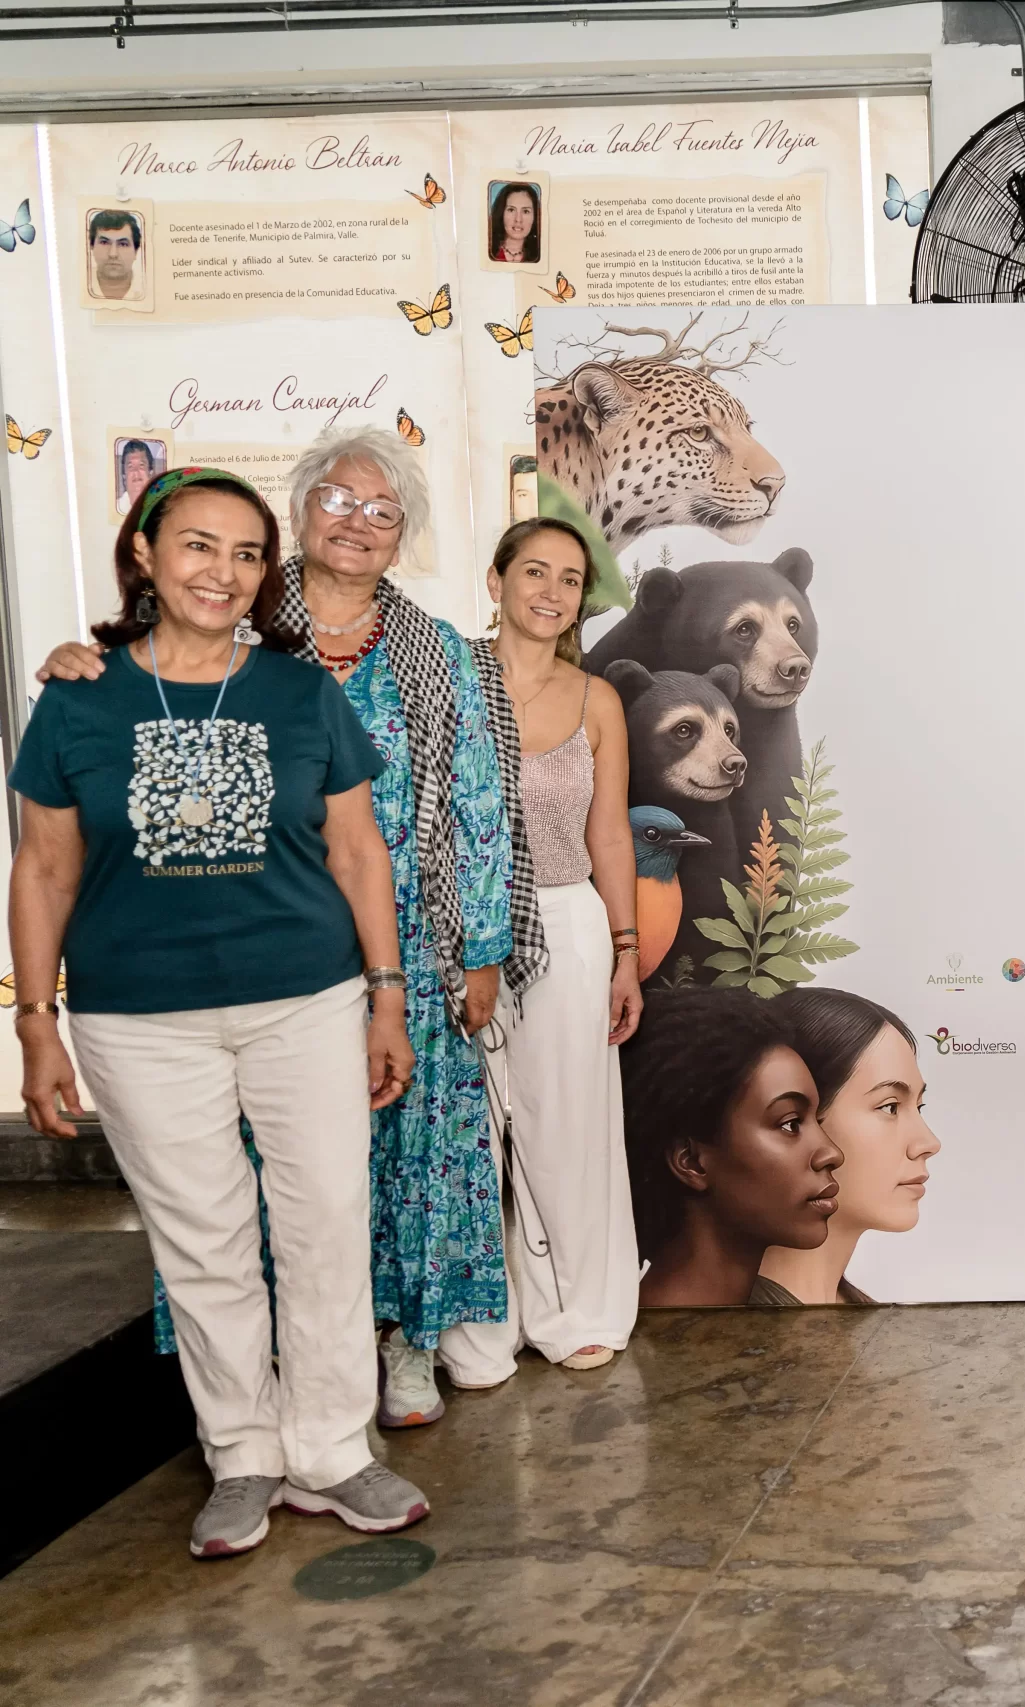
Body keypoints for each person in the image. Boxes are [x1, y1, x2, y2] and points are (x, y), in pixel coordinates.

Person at [36, 426, 542, 1428]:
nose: (358, 523)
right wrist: (80, 656)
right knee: (261, 1174)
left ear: (405, 535)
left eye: (383, 511)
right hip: (264, 942)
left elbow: (480, 803)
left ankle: (403, 1343)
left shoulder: (441, 651)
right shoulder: (238, 633)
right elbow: (131, 692)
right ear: (298, 514)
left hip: (413, 946)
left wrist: (480, 949)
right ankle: (262, 1367)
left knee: (410, 1156)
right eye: (338, 501)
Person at [9, 468, 430, 1558]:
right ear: (144, 554)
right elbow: (43, 869)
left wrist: (387, 996)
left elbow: (358, 851)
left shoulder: (300, 694)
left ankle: (331, 1450)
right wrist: (35, 1023)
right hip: (139, 1021)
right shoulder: (77, 698)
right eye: (199, 545)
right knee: (204, 1243)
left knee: (327, 1222)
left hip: (307, 1002)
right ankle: (244, 1455)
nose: (224, 572)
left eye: (248, 554)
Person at [442, 519, 642, 1373]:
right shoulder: (446, 679)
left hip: (568, 922)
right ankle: (475, 1330)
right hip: (461, 934)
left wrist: (626, 951)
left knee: (568, 1127)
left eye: (569, 578)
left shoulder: (597, 700)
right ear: (496, 582)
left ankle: (576, 1310)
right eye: (534, 571)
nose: (552, 591)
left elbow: (612, 837)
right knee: (466, 1132)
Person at [623, 990, 840, 1307]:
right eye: (790, 1123)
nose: (832, 1153)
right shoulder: (667, 1338)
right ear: (692, 1162)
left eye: (817, 1121)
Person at [756, 990, 938, 1305]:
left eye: (918, 1107)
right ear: (792, 1121)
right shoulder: (726, 1331)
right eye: (890, 1107)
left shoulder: (871, 1321)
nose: (929, 1143)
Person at [87, 208, 141, 301]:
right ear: (92, 246)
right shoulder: (76, 284)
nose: (113, 254)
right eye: (104, 242)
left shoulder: (151, 288)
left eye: (123, 244)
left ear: (135, 251)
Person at [489, 182, 541, 265]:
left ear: (535, 216)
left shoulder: (542, 255)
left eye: (526, 211)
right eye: (511, 210)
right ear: (501, 213)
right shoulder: (486, 250)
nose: (518, 219)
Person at [115, 439, 161, 514]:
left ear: (151, 474)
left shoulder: (162, 509)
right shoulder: (114, 509)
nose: (136, 472)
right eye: (130, 466)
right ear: (124, 478)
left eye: (141, 465)